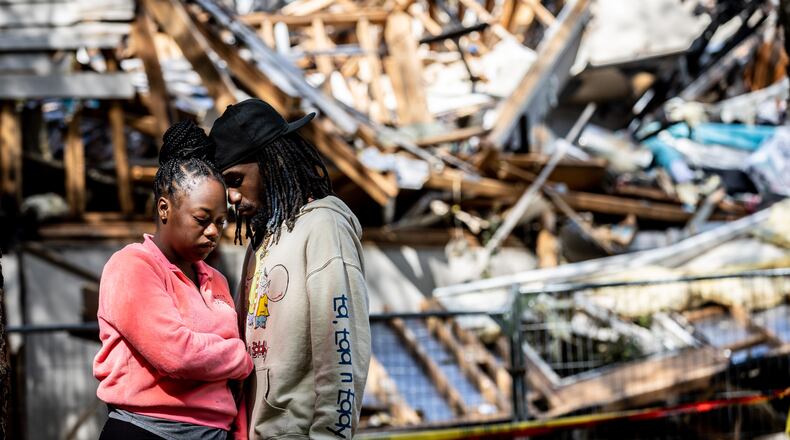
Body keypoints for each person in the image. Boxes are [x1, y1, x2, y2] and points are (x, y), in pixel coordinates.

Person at [208, 98, 371, 439]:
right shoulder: (260, 242)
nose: (232, 197)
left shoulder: (325, 227)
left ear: (273, 162)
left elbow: (341, 353)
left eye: (236, 179)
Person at [93, 120, 253, 440]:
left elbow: (229, 384)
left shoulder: (216, 280)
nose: (213, 232)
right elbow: (177, 355)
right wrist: (240, 356)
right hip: (148, 430)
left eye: (221, 222)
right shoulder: (132, 266)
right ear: (165, 208)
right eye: (202, 219)